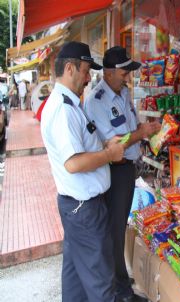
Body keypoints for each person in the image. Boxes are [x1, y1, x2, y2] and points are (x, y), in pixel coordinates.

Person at [41, 41, 126, 302]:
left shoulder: (69, 103)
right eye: (86, 71)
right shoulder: (63, 110)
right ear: (70, 68)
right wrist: (110, 155)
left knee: (76, 280)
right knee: (101, 282)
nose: (89, 79)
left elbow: (81, 147)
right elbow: (74, 163)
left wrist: (102, 145)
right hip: (85, 210)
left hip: (77, 208)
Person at [84, 46, 161, 302]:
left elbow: (131, 125)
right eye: (124, 71)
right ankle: (121, 292)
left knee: (119, 227)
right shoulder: (96, 101)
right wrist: (140, 134)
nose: (128, 75)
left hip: (128, 170)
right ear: (108, 72)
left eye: (129, 70)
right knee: (115, 231)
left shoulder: (124, 93)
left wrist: (147, 130)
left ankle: (118, 278)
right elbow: (113, 143)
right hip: (113, 172)